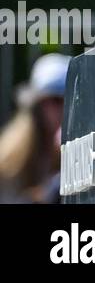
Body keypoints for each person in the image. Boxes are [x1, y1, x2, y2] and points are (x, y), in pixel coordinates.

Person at [0, 53, 68, 203]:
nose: (64, 109)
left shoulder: (78, 148)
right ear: (37, 104)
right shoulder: (10, 159)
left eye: (69, 100)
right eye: (56, 101)